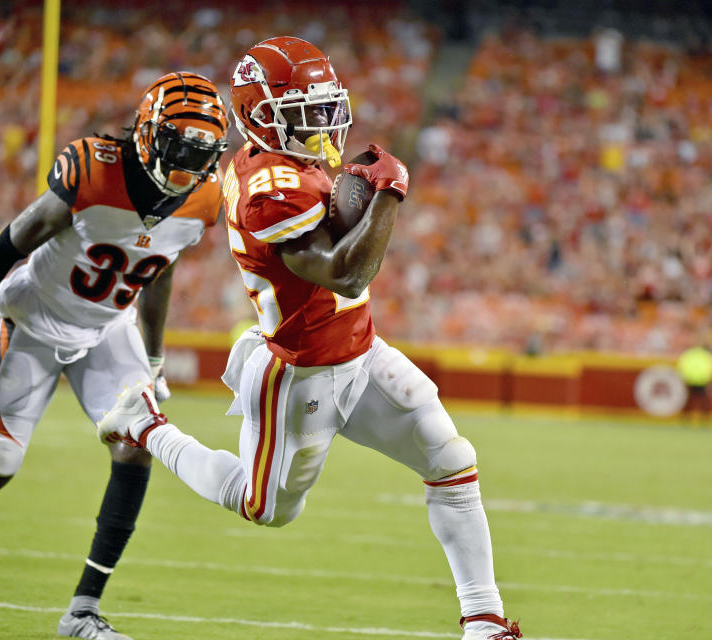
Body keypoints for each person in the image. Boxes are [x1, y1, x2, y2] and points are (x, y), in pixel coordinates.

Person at [97, 37, 522, 640]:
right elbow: (347, 270)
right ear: (263, 116)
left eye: (327, 107)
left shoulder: (291, 164)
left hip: (360, 351)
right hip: (300, 374)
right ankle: (146, 425)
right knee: (263, 507)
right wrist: (389, 195)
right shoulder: (271, 188)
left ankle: (484, 621)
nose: (324, 123)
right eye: (308, 112)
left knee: (451, 460)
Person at [0, 71, 229, 640]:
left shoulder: (205, 199)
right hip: (36, 320)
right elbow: (9, 243)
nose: (191, 166)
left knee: (137, 443)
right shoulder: (93, 170)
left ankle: (82, 612)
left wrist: (154, 360)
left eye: (203, 154)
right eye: (181, 148)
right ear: (148, 135)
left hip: (108, 328)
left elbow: (160, 274)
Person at [676, 343, 712, 425]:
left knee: (691, 402)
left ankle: (686, 420)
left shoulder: (689, 354)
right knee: (702, 402)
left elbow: (682, 366)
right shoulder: (705, 355)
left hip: (691, 380)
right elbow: (711, 368)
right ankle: (704, 421)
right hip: (702, 380)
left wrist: (684, 378)